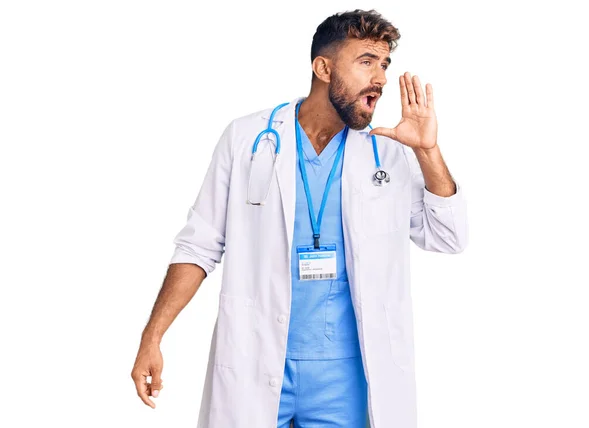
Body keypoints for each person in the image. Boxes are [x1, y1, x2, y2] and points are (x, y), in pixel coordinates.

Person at [131, 9, 467, 428]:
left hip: (348, 378)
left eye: (384, 64)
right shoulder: (247, 139)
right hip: (255, 360)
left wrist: (428, 151)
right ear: (323, 67)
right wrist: (153, 335)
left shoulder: (390, 152)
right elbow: (199, 245)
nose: (380, 78)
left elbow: (448, 236)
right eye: (366, 61)